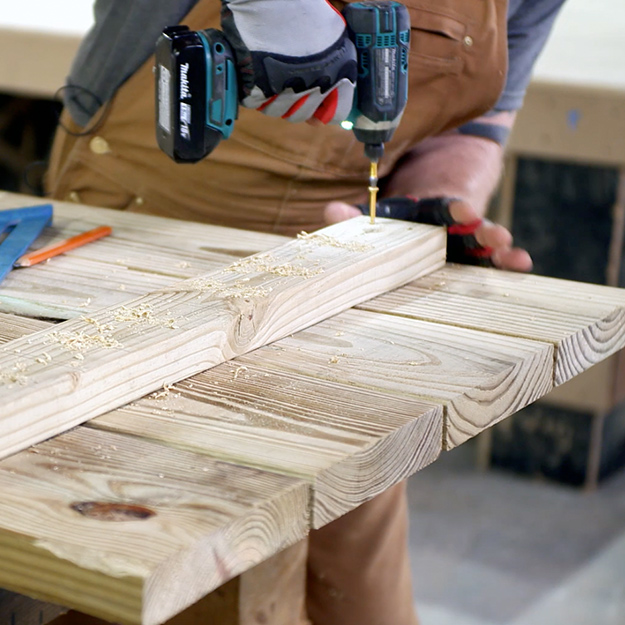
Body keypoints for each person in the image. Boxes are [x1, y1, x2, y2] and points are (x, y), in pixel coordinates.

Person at [45, 1, 567, 623]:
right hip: (157, 229)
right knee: (149, 552)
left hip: (330, 269)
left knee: (354, 575)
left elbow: (476, 125)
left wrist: (432, 204)